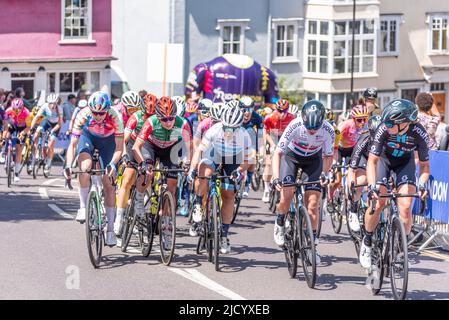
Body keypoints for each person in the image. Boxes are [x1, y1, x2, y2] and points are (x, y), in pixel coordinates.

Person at [360, 99, 429, 269]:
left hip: (404, 163)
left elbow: (425, 166)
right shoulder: (383, 128)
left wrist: (421, 185)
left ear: (403, 123)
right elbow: (372, 162)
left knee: (405, 207)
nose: (387, 125)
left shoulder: (419, 133)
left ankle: (400, 250)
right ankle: (367, 241)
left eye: (391, 122)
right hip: (383, 160)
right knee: (378, 203)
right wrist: (372, 186)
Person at [271, 100, 334, 263]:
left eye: (316, 127)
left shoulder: (328, 129)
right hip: (291, 157)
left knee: (313, 204)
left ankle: (311, 246)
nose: (312, 131)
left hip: (313, 160)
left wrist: (325, 174)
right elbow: (278, 153)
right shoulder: (295, 125)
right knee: (287, 194)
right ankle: (279, 222)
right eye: (309, 127)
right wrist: (276, 177)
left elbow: (328, 156)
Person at [187, 106, 253, 253]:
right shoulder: (214, 130)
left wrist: (239, 170)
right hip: (214, 152)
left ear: (239, 126)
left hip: (233, 158)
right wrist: (192, 169)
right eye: (227, 127)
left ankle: (223, 235)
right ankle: (198, 203)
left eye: (233, 128)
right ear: (222, 123)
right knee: (205, 171)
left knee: (228, 195)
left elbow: (249, 159)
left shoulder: (244, 135)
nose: (229, 131)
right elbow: (199, 151)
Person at [64, 91, 124, 246]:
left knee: (109, 184)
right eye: (95, 113)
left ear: (107, 109)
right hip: (88, 137)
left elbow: (119, 147)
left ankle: (110, 230)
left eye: (101, 113)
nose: (98, 116)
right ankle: (83, 207)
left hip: (108, 142)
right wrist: (68, 165)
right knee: (84, 167)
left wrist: (112, 163)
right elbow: (72, 145)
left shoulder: (115, 116)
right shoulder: (83, 115)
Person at [114, 93, 158, 235]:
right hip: (133, 144)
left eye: (152, 114)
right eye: (146, 114)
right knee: (127, 179)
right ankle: (119, 218)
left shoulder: (158, 120)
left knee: (149, 174)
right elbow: (124, 139)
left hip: (148, 147)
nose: (148, 117)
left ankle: (141, 200)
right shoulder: (136, 117)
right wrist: (124, 156)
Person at [346, 115, 381, 232]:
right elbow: (352, 168)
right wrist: (352, 185)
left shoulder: (388, 138)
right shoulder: (364, 139)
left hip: (380, 161)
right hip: (364, 160)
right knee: (360, 182)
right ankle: (353, 210)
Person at [261, 99, 296, 202]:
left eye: (284, 111)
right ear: (276, 110)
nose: (282, 114)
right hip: (272, 136)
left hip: (285, 137)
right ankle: (266, 189)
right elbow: (265, 133)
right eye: (280, 111)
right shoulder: (269, 118)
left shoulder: (292, 118)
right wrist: (272, 144)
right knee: (268, 163)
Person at [30, 93, 63, 175]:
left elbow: (59, 124)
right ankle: (35, 156)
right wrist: (31, 128)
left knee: (50, 145)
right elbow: (36, 117)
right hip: (47, 122)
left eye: (54, 103)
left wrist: (52, 131)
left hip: (56, 125)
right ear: (48, 103)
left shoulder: (59, 109)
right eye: (50, 103)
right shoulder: (44, 106)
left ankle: (48, 164)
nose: (52, 105)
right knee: (37, 133)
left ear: (56, 103)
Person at [240, 96, 263, 198]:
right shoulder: (235, 115)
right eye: (244, 109)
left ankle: (248, 183)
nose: (247, 112)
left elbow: (261, 136)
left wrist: (261, 152)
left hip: (250, 137)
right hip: (237, 136)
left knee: (252, 157)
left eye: (249, 109)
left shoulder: (257, 117)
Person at [2, 98, 31, 182]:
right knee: (7, 135)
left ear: (22, 107)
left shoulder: (26, 112)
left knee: (19, 150)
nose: (17, 110)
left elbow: (28, 127)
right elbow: (5, 123)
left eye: (19, 109)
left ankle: (16, 173)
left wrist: (23, 133)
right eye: (15, 109)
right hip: (12, 126)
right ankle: (5, 153)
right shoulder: (8, 111)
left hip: (22, 128)